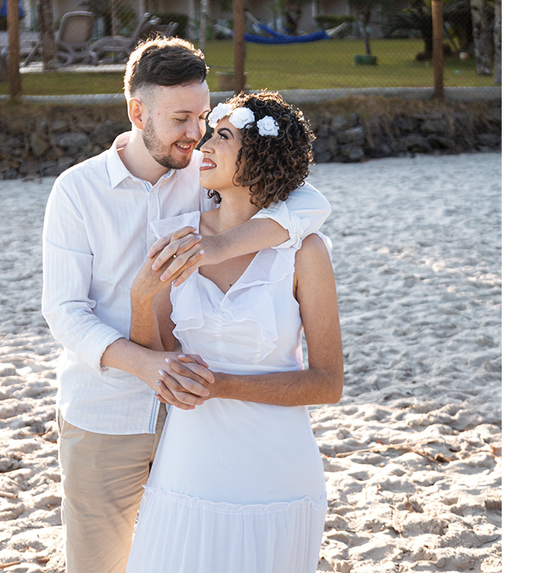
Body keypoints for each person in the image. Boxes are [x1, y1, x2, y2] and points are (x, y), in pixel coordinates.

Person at [41, 39, 331, 573]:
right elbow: (64, 313)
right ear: (137, 112)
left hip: (196, 425)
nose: (195, 133)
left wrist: (220, 246)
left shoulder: (205, 178)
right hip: (108, 413)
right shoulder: (77, 190)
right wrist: (147, 364)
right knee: (99, 565)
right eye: (181, 119)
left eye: (202, 116)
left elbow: (309, 202)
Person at [124, 91, 343, 573]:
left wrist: (223, 386)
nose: (204, 142)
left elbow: (327, 383)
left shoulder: (305, 252)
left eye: (223, 135)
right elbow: (157, 355)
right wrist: (141, 300)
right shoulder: (175, 235)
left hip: (278, 469)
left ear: (260, 155)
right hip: (190, 463)